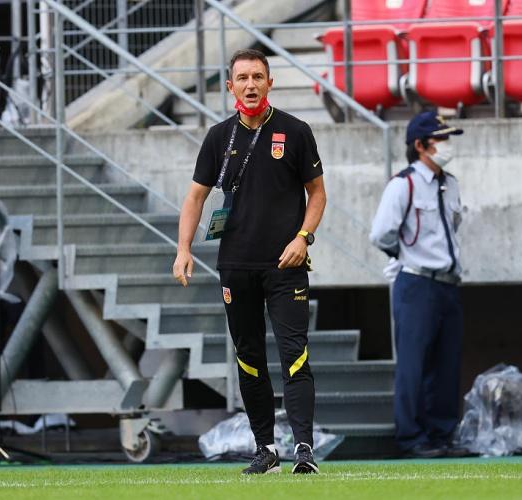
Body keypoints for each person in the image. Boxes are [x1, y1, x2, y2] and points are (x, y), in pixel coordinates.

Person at [172, 49, 326, 474]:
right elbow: (195, 198)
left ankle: (304, 450)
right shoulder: (218, 137)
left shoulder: (295, 131)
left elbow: (317, 194)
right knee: (248, 357)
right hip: (236, 266)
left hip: (285, 265)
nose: (251, 84)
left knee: (295, 355)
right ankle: (266, 450)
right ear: (230, 87)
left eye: (258, 76)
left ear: (270, 83)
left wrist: (303, 238)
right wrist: (183, 249)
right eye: (242, 78)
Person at [369, 111, 467, 459]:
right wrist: (405, 255)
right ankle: (412, 437)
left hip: (448, 283)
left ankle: (442, 434)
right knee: (414, 363)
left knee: (446, 363)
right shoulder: (404, 184)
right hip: (416, 282)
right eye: (440, 139)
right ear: (420, 145)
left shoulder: (450, 183)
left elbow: (453, 225)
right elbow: (381, 233)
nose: (446, 145)